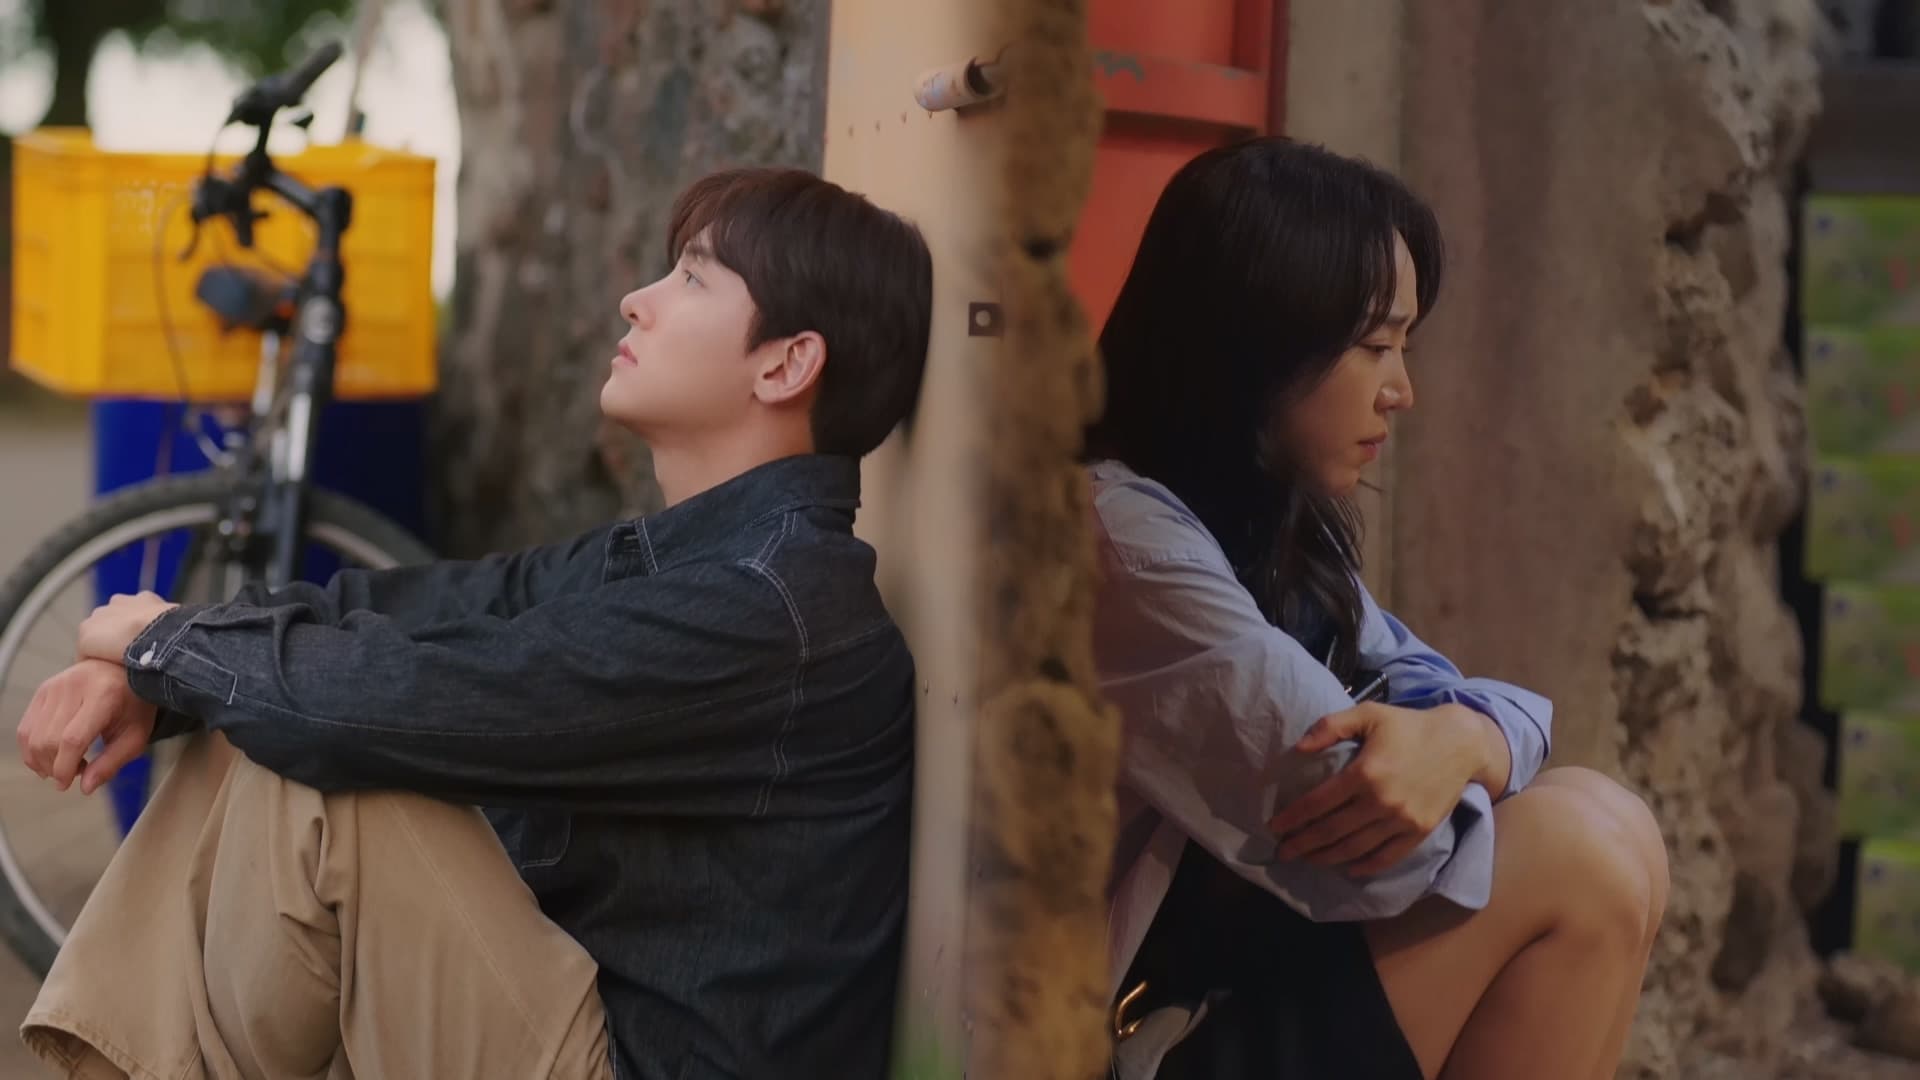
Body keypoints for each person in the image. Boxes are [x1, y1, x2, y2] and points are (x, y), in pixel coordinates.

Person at [15, 166, 934, 1080]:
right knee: (262, 699)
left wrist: (163, 646)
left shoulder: (765, 612)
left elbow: (397, 703)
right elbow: (417, 606)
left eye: (692, 277)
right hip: (583, 1027)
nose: (636, 300)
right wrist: (155, 665)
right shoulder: (694, 563)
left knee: (309, 750)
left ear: (785, 364)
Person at [1087, 137, 1669, 1080]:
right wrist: (1459, 747)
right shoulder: (1124, 540)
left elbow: (1442, 695)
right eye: (1374, 347)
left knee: (1614, 818)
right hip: (1123, 1045)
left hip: (1211, 1005)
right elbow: (1393, 835)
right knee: (1577, 856)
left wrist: (1469, 739)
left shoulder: (1266, 521)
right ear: (1257, 342)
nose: (1402, 392)